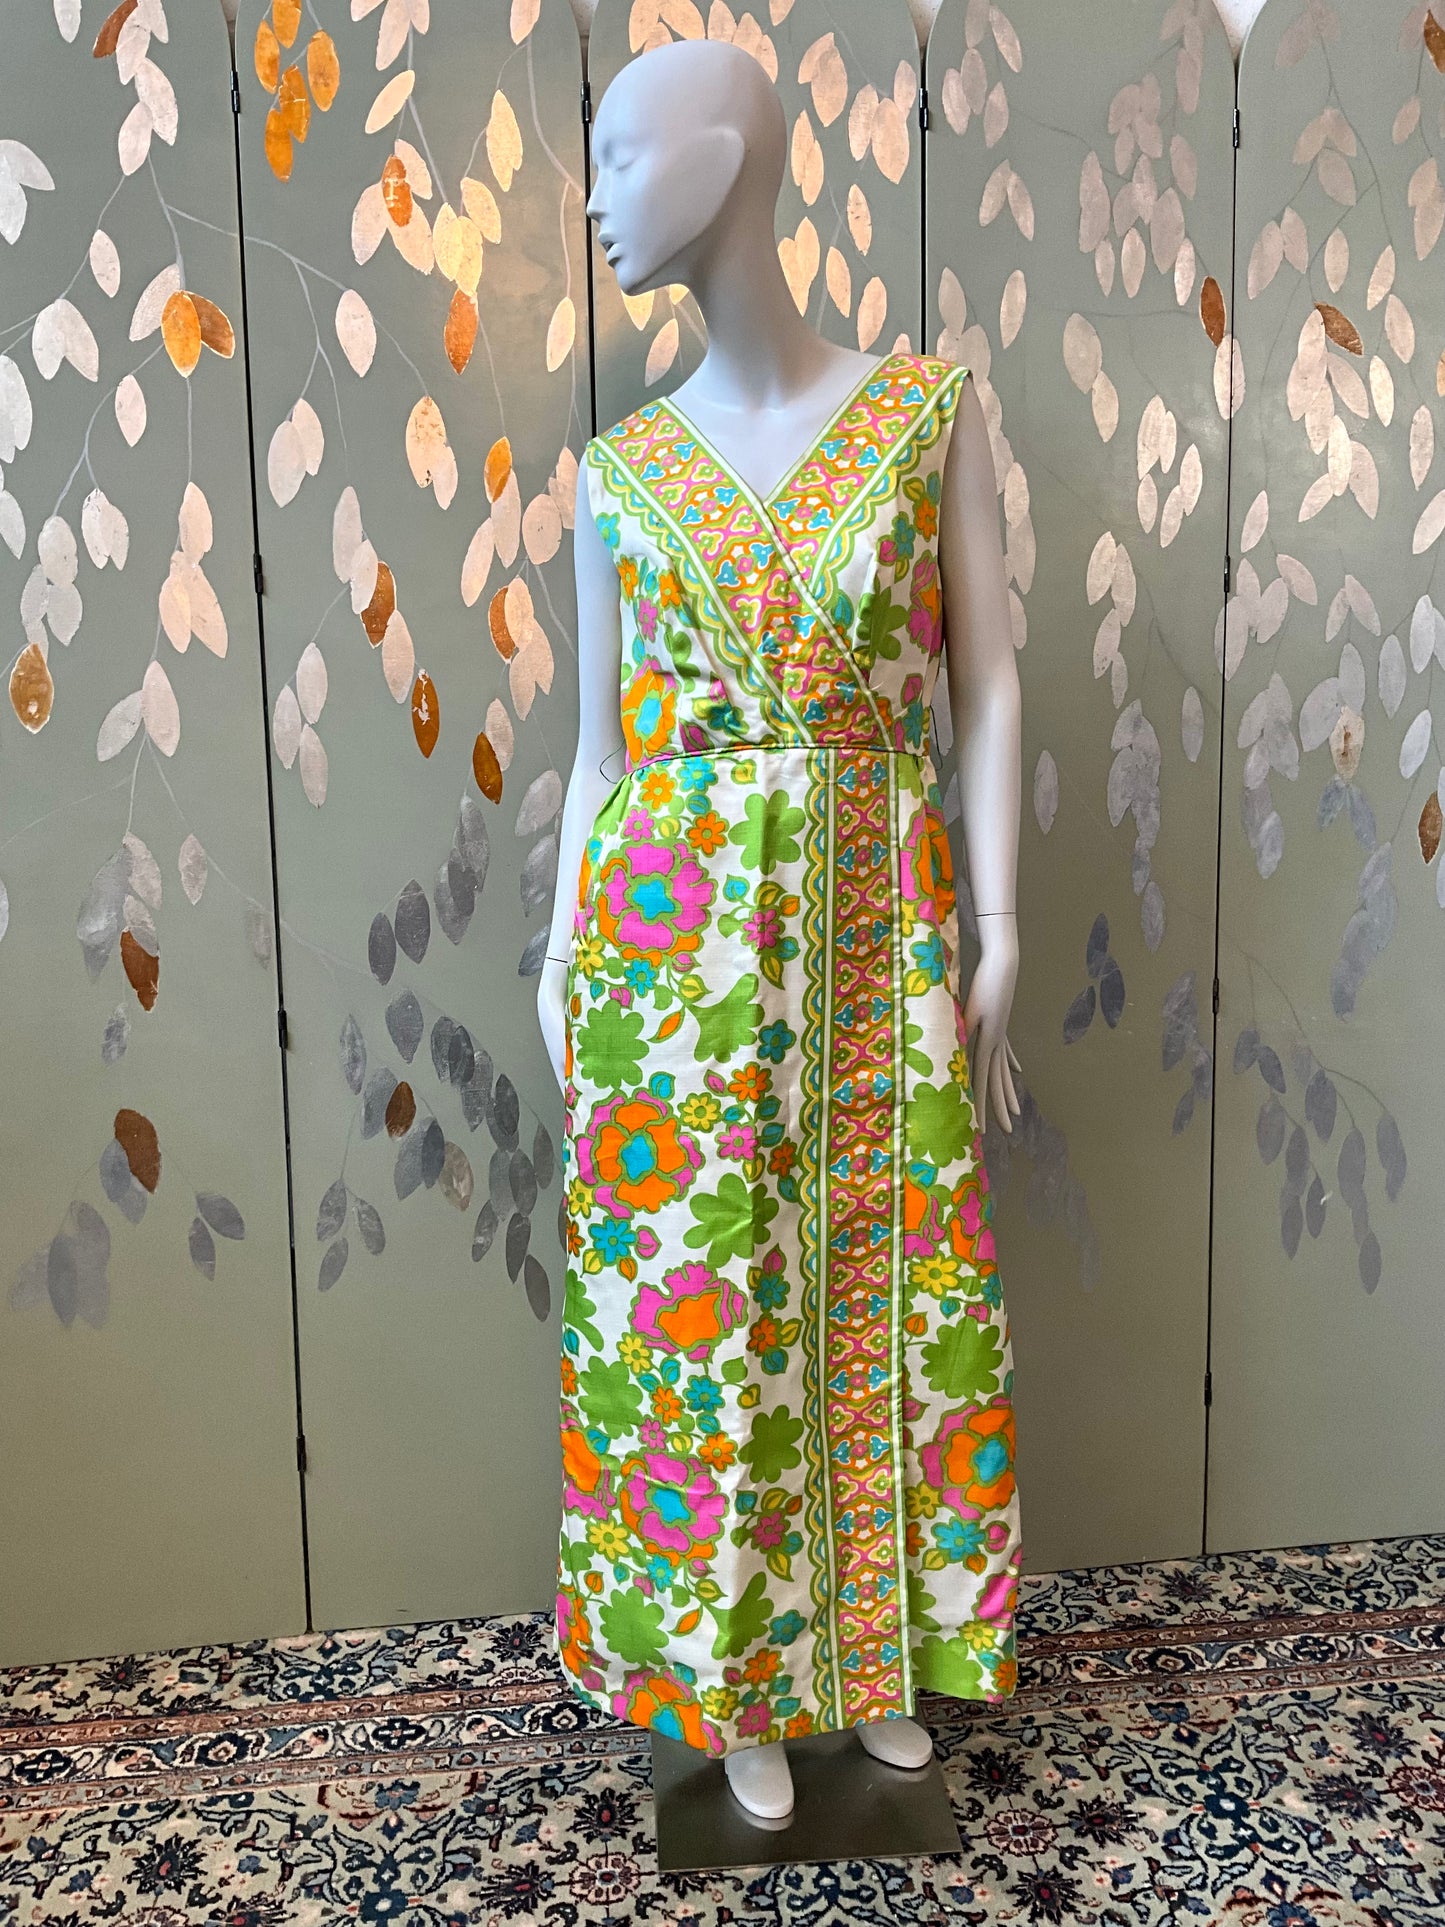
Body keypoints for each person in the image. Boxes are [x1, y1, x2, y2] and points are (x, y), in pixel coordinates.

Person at [536, 36, 1024, 1824]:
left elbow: (985, 684)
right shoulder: (617, 480)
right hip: (669, 977)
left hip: (882, 936)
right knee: (708, 1318)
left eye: (615, 150)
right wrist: (557, 952)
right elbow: (600, 751)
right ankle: (735, 1683)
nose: (588, 200)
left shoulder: (921, 416)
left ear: (727, 152)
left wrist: (1000, 919)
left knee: (889, 1303)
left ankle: (879, 1661)